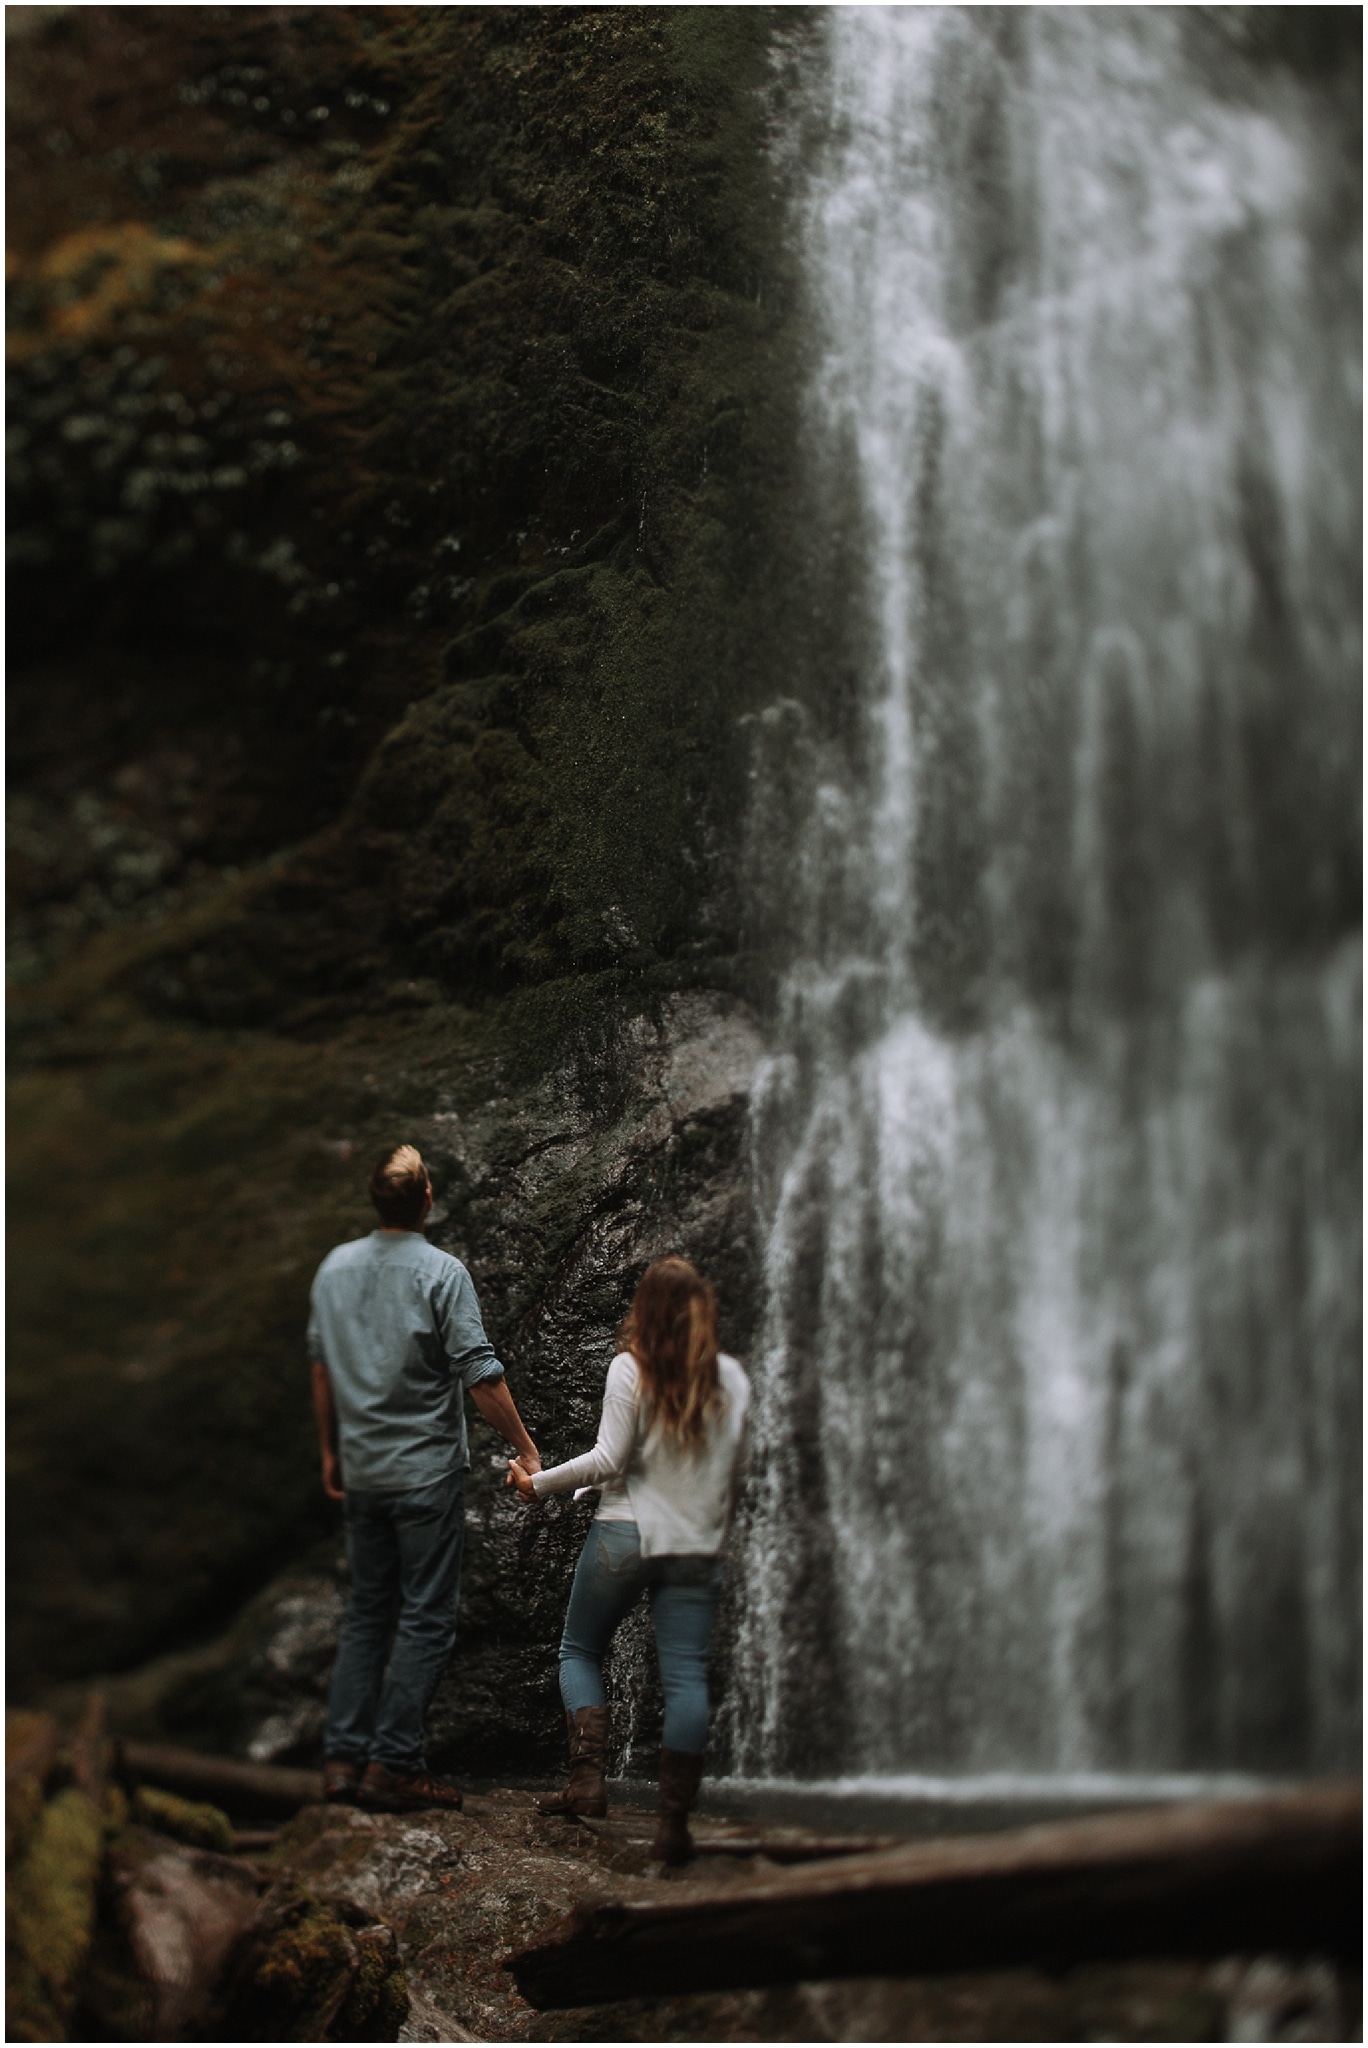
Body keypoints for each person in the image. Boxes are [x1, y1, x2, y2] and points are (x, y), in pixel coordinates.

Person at [309, 1143, 540, 1814]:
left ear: (375, 1199)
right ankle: (395, 1764)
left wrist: (330, 1452)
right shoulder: (442, 1273)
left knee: (367, 1613)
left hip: (365, 1471)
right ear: (427, 1199)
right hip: (424, 1474)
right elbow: (480, 1374)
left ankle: (341, 1762)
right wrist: (527, 1447)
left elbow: (321, 1368)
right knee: (427, 1617)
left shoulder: (333, 1269)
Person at [507, 1256, 750, 1865]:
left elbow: (609, 1459)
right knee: (687, 1678)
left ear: (643, 1309)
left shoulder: (629, 1368)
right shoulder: (733, 1379)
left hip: (626, 1532)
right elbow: (730, 1472)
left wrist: (539, 1486)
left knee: (580, 1649)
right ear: (703, 1311)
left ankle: (587, 1786)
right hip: (695, 1543)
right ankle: (673, 1827)